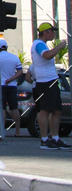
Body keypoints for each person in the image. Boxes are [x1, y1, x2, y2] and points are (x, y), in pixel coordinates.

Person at [31, 21, 70, 149]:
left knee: (56, 110)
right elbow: (47, 56)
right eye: (52, 31)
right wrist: (59, 47)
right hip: (44, 82)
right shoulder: (39, 44)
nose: (53, 34)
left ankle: (55, 137)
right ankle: (44, 139)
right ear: (46, 32)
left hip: (50, 81)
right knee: (45, 110)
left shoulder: (42, 44)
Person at [0, 39, 24, 136]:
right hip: (12, 85)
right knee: (14, 108)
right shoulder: (14, 58)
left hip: (0, 86)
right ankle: (17, 131)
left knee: (1, 108)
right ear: (6, 47)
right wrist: (11, 79)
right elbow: (20, 72)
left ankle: (1, 130)